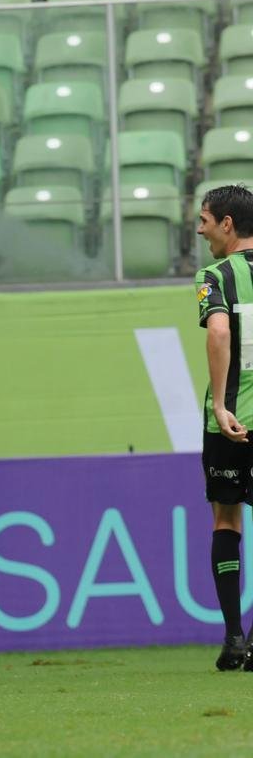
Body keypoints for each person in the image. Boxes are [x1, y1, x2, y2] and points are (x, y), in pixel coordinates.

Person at [195, 183, 253, 672]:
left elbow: (218, 329)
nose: (200, 228)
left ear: (228, 225)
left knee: (226, 520)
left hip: (233, 421)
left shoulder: (215, 275)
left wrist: (219, 405)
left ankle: (235, 636)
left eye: (205, 219)